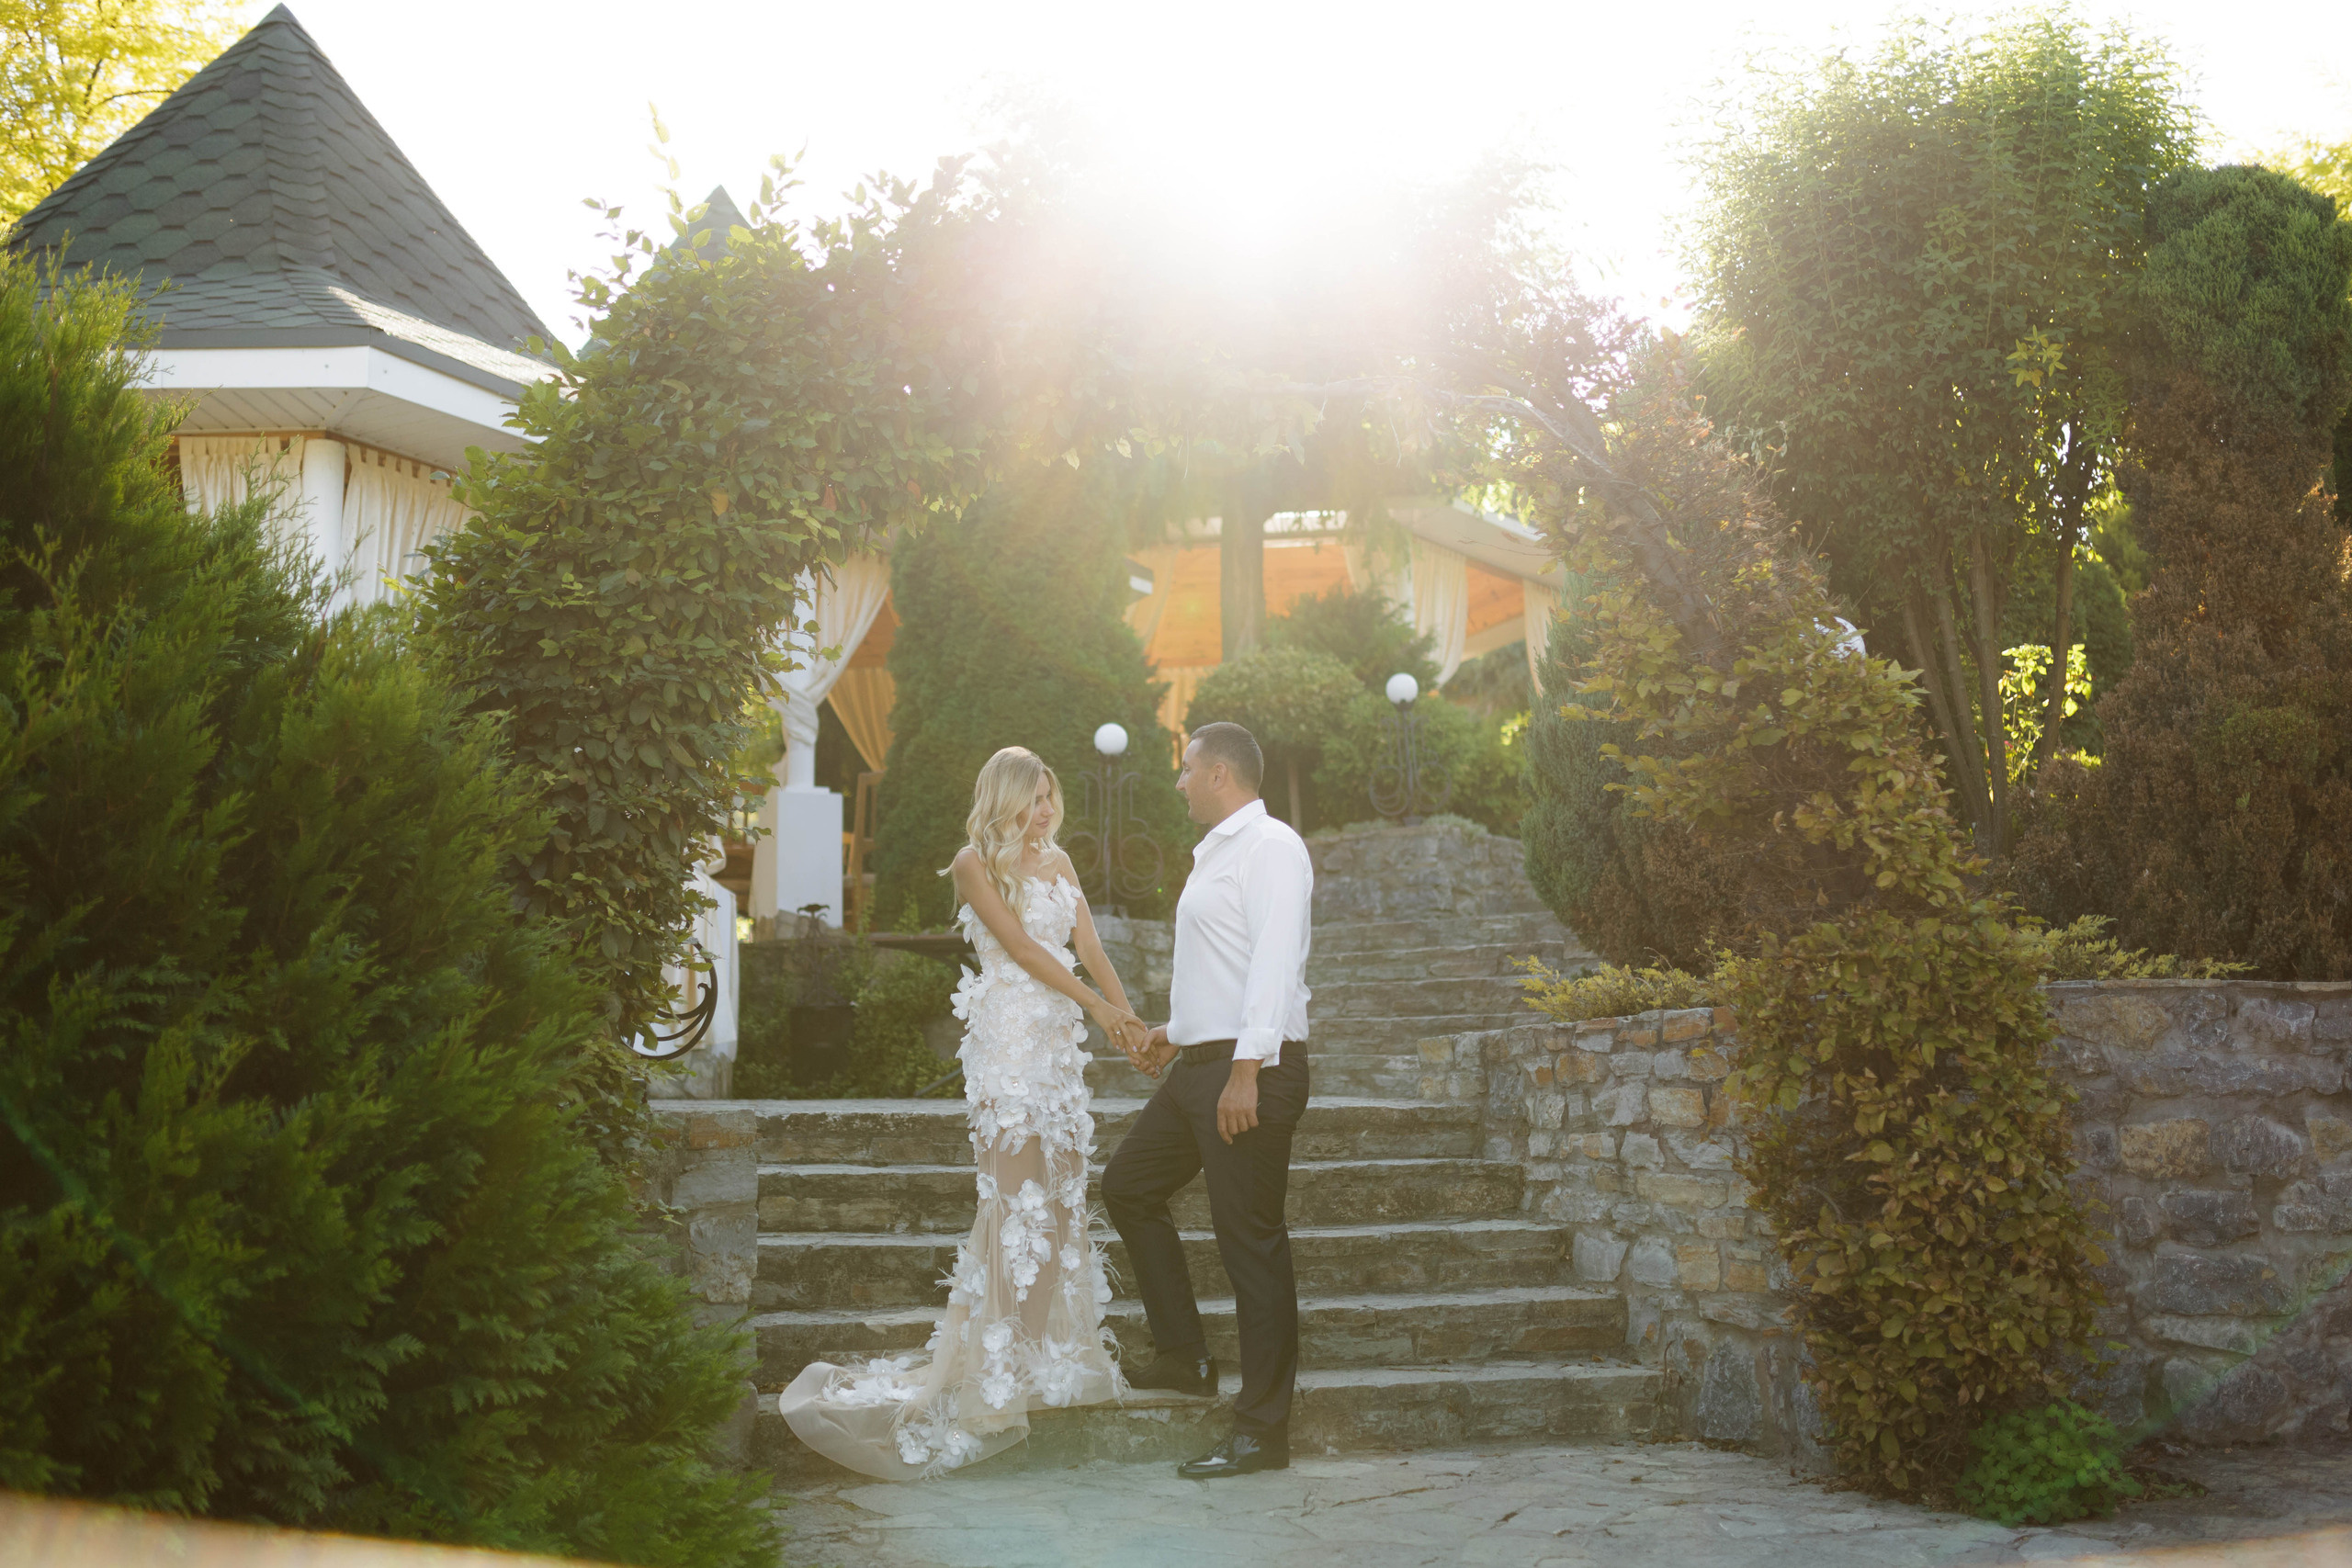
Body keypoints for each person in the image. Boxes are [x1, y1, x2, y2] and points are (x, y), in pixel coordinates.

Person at [778, 746, 1150, 1479]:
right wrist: (1100, 1008)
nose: (1045, 811)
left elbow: (1091, 947)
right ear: (1004, 797)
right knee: (1017, 1207)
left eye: (1051, 797)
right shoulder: (974, 862)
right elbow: (1017, 946)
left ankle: (1045, 1358)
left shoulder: (1062, 862)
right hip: (1009, 1047)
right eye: (1033, 798)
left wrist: (1131, 1021)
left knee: (1064, 1202)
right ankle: (997, 1373)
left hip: (1059, 1051)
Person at [1103, 721, 1313, 1479]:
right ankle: (1185, 1356)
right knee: (1126, 1187)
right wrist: (1175, 1031)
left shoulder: (1273, 847)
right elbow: (1220, 967)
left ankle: (1262, 1432)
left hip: (1250, 1068)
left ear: (1220, 773)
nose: (1179, 781)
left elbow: (1274, 960)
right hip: (1201, 1062)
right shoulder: (1217, 854)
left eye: (1185, 770)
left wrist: (1249, 1065)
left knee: (1250, 1245)